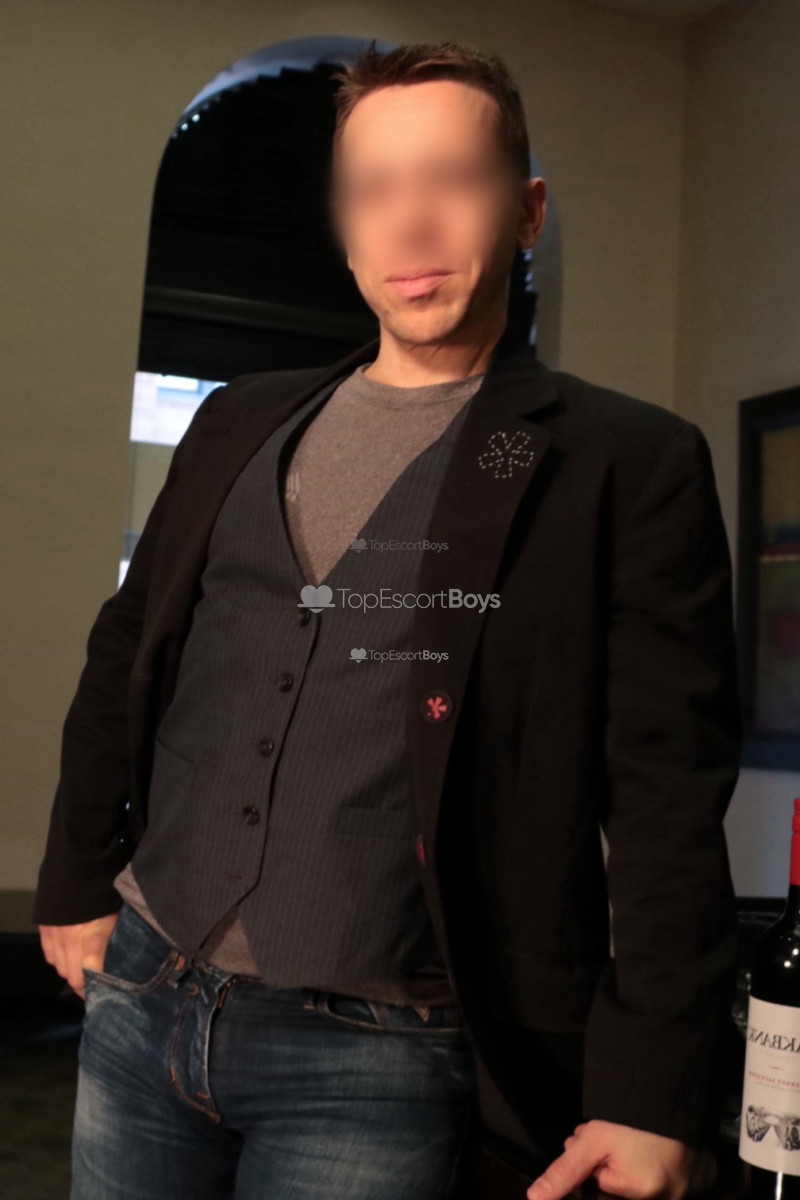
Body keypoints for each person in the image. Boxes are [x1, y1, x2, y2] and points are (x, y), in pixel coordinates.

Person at [33, 39, 740, 1200]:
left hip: (380, 1053)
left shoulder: (626, 463)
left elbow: (666, 798)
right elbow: (127, 652)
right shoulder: (239, 418)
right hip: (145, 992)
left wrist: (651, 1089)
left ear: (524, 210)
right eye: (373, 190)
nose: (408, 222)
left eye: (449, 180)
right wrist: (72, 879)